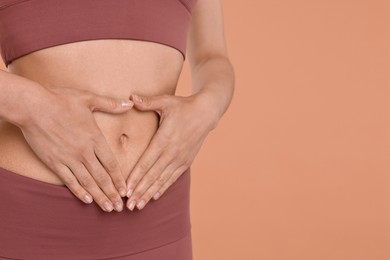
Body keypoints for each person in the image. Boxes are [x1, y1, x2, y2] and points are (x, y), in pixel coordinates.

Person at [0, 0, 234, 259]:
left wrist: (208, 107)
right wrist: (31, 106)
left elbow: (211, 57)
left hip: (159, 220)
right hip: (34, 218)